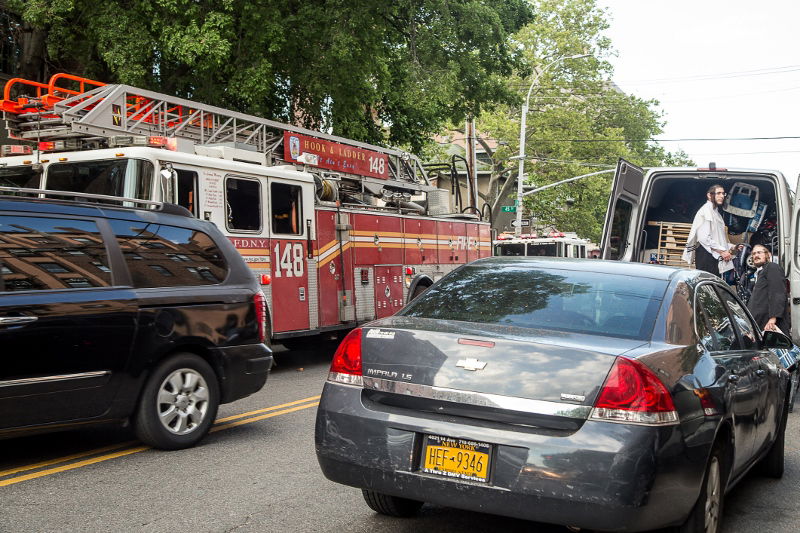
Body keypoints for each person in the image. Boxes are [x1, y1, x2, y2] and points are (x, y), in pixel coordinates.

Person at [682, 184, 737, 276]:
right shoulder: (706, 211)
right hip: (706, 257)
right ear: (709, 195)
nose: (722, 196)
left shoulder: (716, 213)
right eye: (718, 193)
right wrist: (722, 251)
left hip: (713, 257)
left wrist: (732, 247)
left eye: (723, 193)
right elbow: (703, 238)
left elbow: (718, 239)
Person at [747, 244, 791, 334]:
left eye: (759, 252)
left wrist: (773, 319)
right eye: (754, 254)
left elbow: (777, 292)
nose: (756, 255)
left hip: (770, 324)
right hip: (760, 324)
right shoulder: (759, 273)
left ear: (768, 255)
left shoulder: (772, 267)